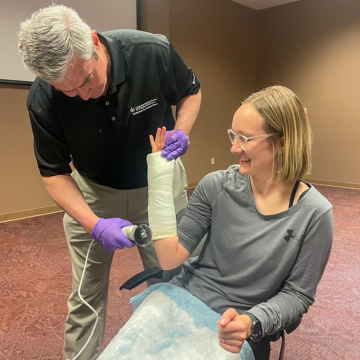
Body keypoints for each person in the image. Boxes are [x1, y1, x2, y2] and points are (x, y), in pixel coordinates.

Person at [18, 4, 201, 360]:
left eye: (86, 80)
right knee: (85, 296)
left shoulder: (152, 52)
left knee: (174, 279)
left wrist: (182, 131)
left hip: (158, 185)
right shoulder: (43, 98)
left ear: (93, 42)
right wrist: (95, 225)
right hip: (95, 192)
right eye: (70, 92)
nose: (84, 95)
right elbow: (54, 173)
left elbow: (190, 92)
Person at [147, 85, 333, 360]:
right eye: (233, 135)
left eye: (244, 138)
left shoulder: (315, 214)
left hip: (241, 323)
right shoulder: (216, 186)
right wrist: (159, 177)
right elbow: (168, 260)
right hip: (186, 297)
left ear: (282, 142)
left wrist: (250, 323)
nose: (234, 147)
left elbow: (297, 295)